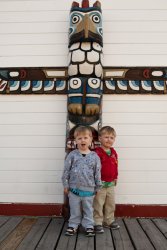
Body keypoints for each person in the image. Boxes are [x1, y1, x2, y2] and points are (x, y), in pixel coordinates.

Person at [62, 126, 101, 237]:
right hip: (74, 188)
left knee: (88, 208)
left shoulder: (95, 157)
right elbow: (66, 171)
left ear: (90, 140)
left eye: (85, 138)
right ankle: (73, 225)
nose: (82, 140)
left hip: (89, 188)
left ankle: (89, 225)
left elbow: (97, 172)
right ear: (75, 141)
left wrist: (98, 186)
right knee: (74, 208)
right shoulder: (72, 155)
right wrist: (65, 184)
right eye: (79, 138)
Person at [93, 126, 120, 233]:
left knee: (110, 203)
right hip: (100, 184)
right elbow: (93, 168)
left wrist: (116, 177)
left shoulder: (113, 152)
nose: (109, 140)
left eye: (112, 137)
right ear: (100, 138)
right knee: (98, 203)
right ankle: (97, 222)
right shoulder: (96, 153)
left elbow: (115, 166)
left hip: (111, 184)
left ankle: (109, 220)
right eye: (106, 137)